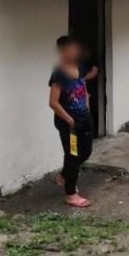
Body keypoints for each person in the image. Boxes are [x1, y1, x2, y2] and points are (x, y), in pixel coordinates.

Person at [48, 36, 94, 208]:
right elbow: (53, 102)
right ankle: (71, 194)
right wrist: (70, 120)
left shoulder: (80, 68)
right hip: (69, 124)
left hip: (84, 119)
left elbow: (84, 89)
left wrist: (87, 110)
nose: (74, 52)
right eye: (70, 49)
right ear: (62, 52)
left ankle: (65, 174)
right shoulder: (59, 74)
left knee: (86, 152)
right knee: (73, 156)